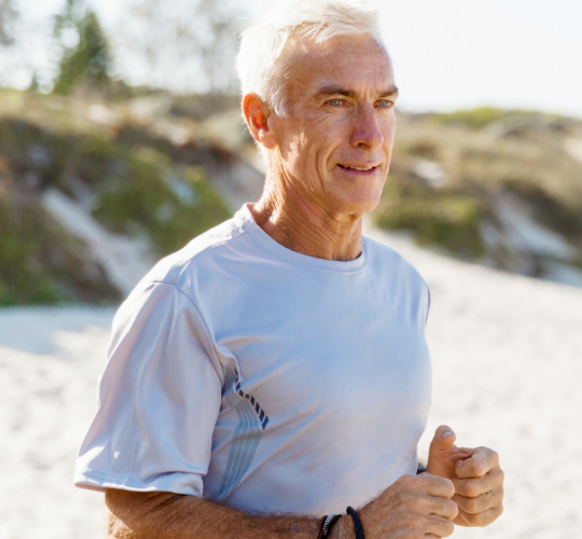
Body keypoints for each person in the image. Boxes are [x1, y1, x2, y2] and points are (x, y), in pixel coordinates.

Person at [72, 1, 505, 537]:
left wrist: (437, 487)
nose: (370, 133)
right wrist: (341, 534)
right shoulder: (189, 295)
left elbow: (333, 466)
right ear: (261, 120)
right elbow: (134, 520)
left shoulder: (404, 286)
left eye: (384, 102)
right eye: (337, 101)